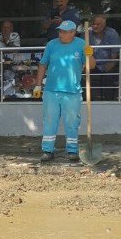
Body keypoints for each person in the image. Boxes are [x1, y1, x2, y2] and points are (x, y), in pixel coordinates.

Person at [33, 20, 95, 162]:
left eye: (65, 31)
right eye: (60, 31)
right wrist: (38, 85)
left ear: (73, 32)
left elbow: (91, 66)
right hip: (51, 90)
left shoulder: (81, 44)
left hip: (72, 91)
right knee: (49, 120)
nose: (61, 34)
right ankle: (47, 150)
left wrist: (89, 54)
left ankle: (72, 151)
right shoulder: (51, 45)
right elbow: (43, 64)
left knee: (72, 121)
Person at [89, 15, 121, 100]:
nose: (95, 26)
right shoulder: (87, 34)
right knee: (82, 75)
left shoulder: (112, 33)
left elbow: (115, 53)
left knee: (109, 77)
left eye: (98, 24)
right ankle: (87, 99)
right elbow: (83, 51)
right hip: (92, 63)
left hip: (108, 63)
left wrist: (111, 64)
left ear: (104, 24)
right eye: (93, 24)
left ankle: (109, 101)